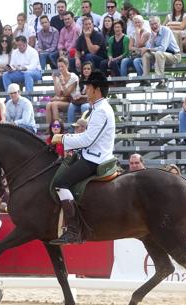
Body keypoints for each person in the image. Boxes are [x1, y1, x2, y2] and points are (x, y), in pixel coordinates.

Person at [49, 71, 115, 245]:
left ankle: (73, 230)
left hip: (95, 158)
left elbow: (87, 139)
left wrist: (62, 138)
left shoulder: (101, 111)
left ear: (96, 89)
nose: (85, 88)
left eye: (88, 86)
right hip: (92, 153)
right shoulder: (98, 108)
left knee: (60, 183)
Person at [133, 16, 182, 89]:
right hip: (160, 57)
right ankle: (145, 79)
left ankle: (160, 80)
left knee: (158, 53)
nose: (154, 26)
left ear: (159, 23)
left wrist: (148, 48)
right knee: (146, 54)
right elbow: (148, 48)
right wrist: (151, 40)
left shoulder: (166, 30)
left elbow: (162, 48)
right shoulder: (152, 33)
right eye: (152, 24)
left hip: (174, 56)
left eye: (155, 23)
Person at [46, 57, 79, 125]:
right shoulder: (59, 77)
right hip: (63, 101)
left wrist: (63, 83)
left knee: (54, 104)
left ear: (67, 66)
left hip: (73, 102)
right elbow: (58, 93)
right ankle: (49, 130)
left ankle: (58, 128)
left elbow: (67, 93)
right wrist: (55, 80)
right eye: (59, 67)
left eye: (62, 66)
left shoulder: (73, 77)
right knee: (48, 105)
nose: (60, 68)